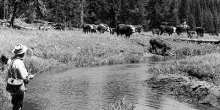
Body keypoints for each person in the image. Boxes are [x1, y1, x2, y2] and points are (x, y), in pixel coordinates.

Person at [6, 44, 35, 110]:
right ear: (22, 53)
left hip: (12, 87)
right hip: (18, 88)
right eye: (24, 52)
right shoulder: (19, 62)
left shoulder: (11, 60)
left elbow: (12, 72)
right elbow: (24, 77)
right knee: (19, 106)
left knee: (15, 104)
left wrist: (26, 73)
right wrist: (30, 76)